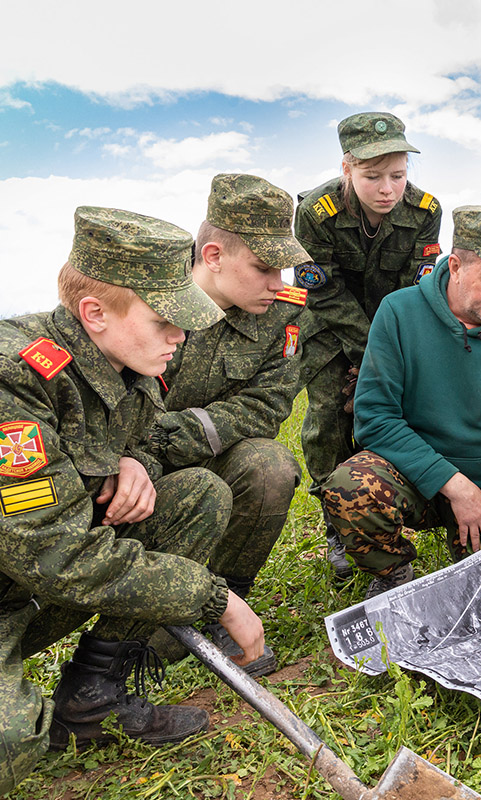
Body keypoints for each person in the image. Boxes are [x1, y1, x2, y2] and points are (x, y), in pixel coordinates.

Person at [0, 208, 265, 793]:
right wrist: (213, 598)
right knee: (10, 744)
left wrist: (134, 464)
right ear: (93, 313)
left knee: (196, 495)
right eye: (165, 320)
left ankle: (93, 702)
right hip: (32, 573)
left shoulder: (129, 363)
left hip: (29, 591)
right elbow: (55, 555)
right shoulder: (14, 378)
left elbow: (138, 437)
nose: (180, 336)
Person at [321, 205, 481, 625]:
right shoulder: (399, 313)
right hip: (412, 477)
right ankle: (391, 573)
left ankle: (476, 557)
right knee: (351, 485)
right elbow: (374, 417)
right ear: (455, 266)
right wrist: (455, 486)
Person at [143, 174, 312, 677]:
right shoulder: (144, 298)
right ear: (213, 255)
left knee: (270, 465)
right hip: (128, 460)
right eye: (263, 268)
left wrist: (187, 433)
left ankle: (225, 601)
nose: (278, 283)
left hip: (207, 450)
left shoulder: (281, 313)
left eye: (281, 268)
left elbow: (270, 400)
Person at [294, 112, 443, 582]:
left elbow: (415, 291)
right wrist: (365, 354)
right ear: (347, 169)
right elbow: (324, 291)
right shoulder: (315, 213)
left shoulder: (425, 211)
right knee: (330, 421)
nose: (387, 189)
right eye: (372, 176)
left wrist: (387, 359)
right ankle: (337, 526)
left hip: (395, 329)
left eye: (398, 175)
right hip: (329, 329)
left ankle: (383, 514)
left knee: (392, 413)